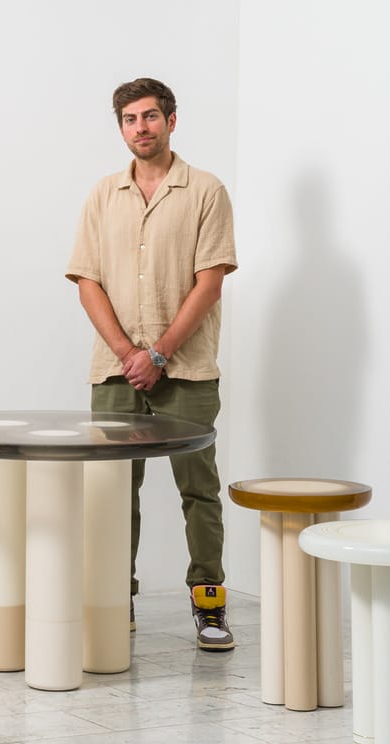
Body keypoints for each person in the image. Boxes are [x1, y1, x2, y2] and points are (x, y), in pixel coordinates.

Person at [65, 77, 238, 650]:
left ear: (171, 120)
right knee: (114, 493)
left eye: (149, 117)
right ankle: (118, 603)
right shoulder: (101, 195)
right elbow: (87, 281)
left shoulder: (206, 190)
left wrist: (159, 354)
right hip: (115, 374)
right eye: (129, 119)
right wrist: (128, 354)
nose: (140, 128)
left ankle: (209, 605)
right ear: (121, 128)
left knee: (199, 491)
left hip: (186, 371)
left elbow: (209, 282)